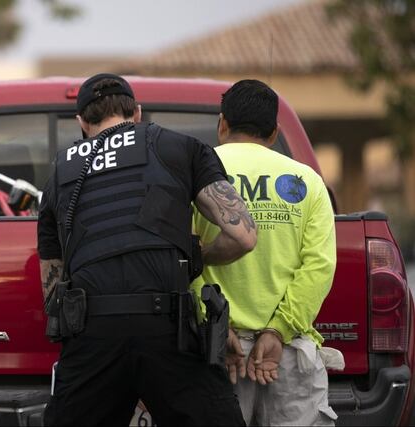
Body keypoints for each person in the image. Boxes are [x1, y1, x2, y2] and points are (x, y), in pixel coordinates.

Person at [37, 73, 257, 426]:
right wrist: (196, 258)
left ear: (81, 122)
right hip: (168, 330)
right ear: (136, 113)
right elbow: (243, 236)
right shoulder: (179, 147)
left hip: (93, 337)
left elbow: (51, 290)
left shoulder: (59, 175)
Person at [192, 79, 338, 426]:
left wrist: (214, 322)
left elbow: (181, 258)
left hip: (216, 350)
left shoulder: (194, 175)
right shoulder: (307, 181)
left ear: (222, 124)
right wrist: (279, 330)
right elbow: (319, 265)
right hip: (287, 356)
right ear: (274, 133)